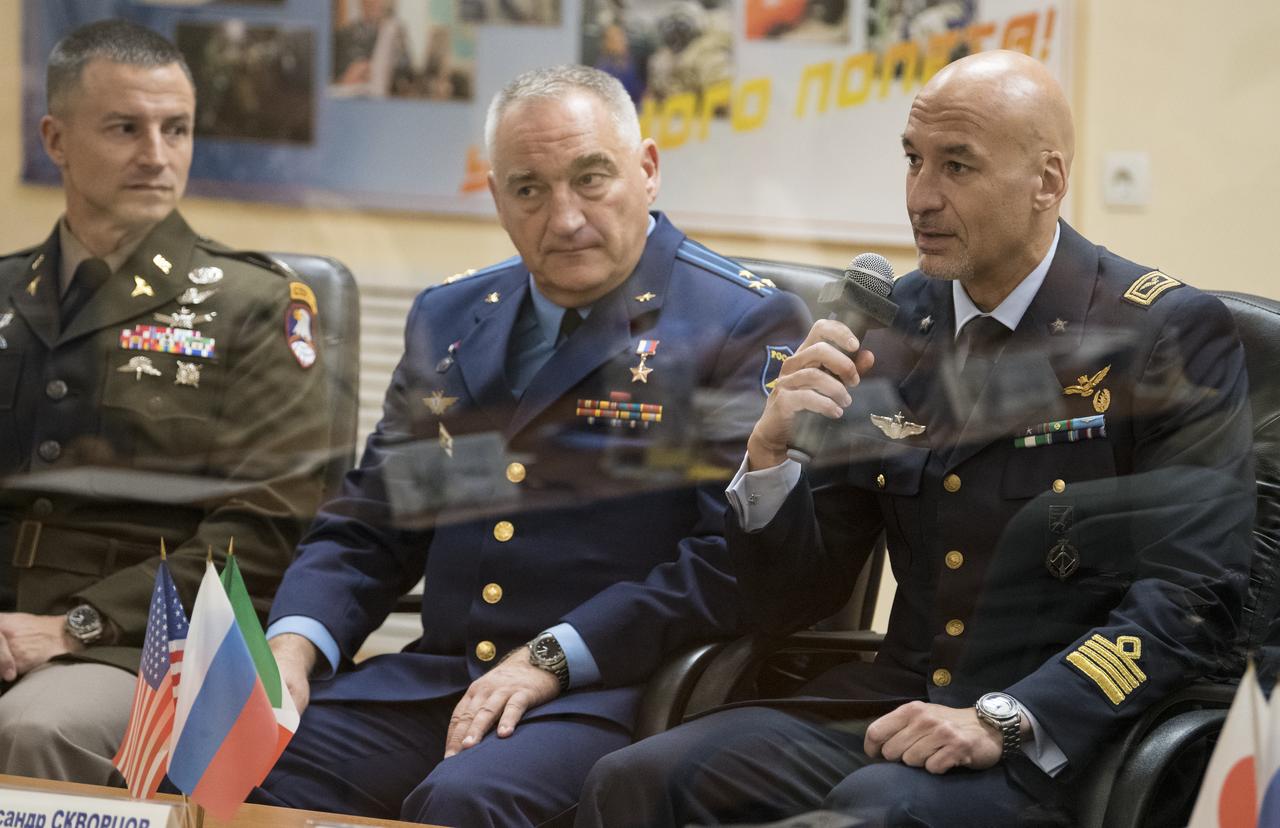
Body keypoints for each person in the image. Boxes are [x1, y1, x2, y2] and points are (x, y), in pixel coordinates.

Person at [575, 49, 1255, 827]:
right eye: (912, 160)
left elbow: (1193, 598)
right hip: (896, 706)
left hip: (1063, 740)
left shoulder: (1160, 332)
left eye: (957, 167)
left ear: (1048, 181)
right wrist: (768, 461)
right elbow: (798, 596)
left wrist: (1007, 717)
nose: (920, 198)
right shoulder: (896, 322)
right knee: (633, 780)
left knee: (871, 812)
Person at [254, 64, 809, 827]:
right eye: (530, 189)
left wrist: (556, 655)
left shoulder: (738, 324)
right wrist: (290, 649)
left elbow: (724, 562)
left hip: (612, 690)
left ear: (646, 170)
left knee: (466, 801)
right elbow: (377, 520)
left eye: (591, 179)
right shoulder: (451, 317)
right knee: (232, 754)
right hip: (443, 678)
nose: (566, 218)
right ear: (496, 197)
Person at [0, 19, 330, 784]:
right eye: (125, 128)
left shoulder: (258, 305)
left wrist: (75, 626)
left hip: (139, 641)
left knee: (33, 729)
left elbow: (269, 524)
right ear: (56, 139)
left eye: (175, 129)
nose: (157, 155)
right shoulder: (7, 292)